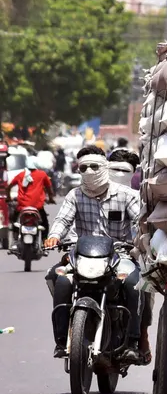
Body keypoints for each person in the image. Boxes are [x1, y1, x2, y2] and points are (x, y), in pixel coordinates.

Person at [43, 146, 146, 362]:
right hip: (81, 257)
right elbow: (62, 220)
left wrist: (141, 241)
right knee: (59, 278)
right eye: (83, 167)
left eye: (94, 166)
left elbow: (140, 223)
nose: (89, 171)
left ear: (105, 168)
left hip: (120, 256)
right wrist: (54, 236)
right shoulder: (74, 195)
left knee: (134, 284)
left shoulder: (128, 195)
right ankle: (62, 340)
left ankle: (133, 342)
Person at [7, 156, 55, 235]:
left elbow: (8, 187)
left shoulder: (21, 175)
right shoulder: (42, 174)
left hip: (22, 207)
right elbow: (49, 189)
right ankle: (44, 241)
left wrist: (8, 198)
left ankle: (15, 240)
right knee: (45, 224)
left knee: (14, 221)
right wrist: (51, 199)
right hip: (38, 207)